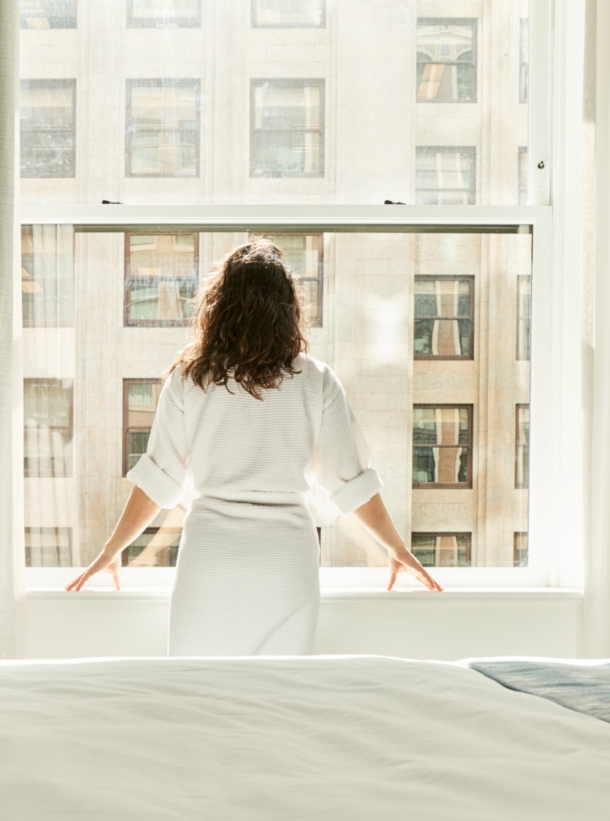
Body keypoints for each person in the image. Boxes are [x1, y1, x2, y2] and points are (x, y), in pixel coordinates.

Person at [65, 241, 442, 655]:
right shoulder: (315, 379)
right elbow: (349, 481)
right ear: (288, 308)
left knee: (198, 687)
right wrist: (397, 547)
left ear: (219, 304)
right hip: (285, 558)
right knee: (277, 696)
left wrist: (112, 549)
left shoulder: (191, 378)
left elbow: (158, 478)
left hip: (211, 556)